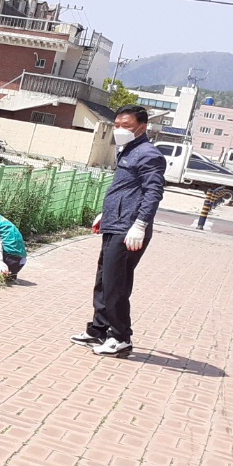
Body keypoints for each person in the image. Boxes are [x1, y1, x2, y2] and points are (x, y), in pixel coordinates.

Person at [72, 105, 165, 357]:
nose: (120, 130)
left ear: (142, 127)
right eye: (117, 125)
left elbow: (152, 193)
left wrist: (141, 224)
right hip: (116, 223)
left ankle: (121, 337)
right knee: (104, 280)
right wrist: (106, 214)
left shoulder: (149, 154)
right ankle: (99, 329)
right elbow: (126, 189)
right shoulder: (127, 151)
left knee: (116, 285)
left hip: (129, 229)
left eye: (127, 125)